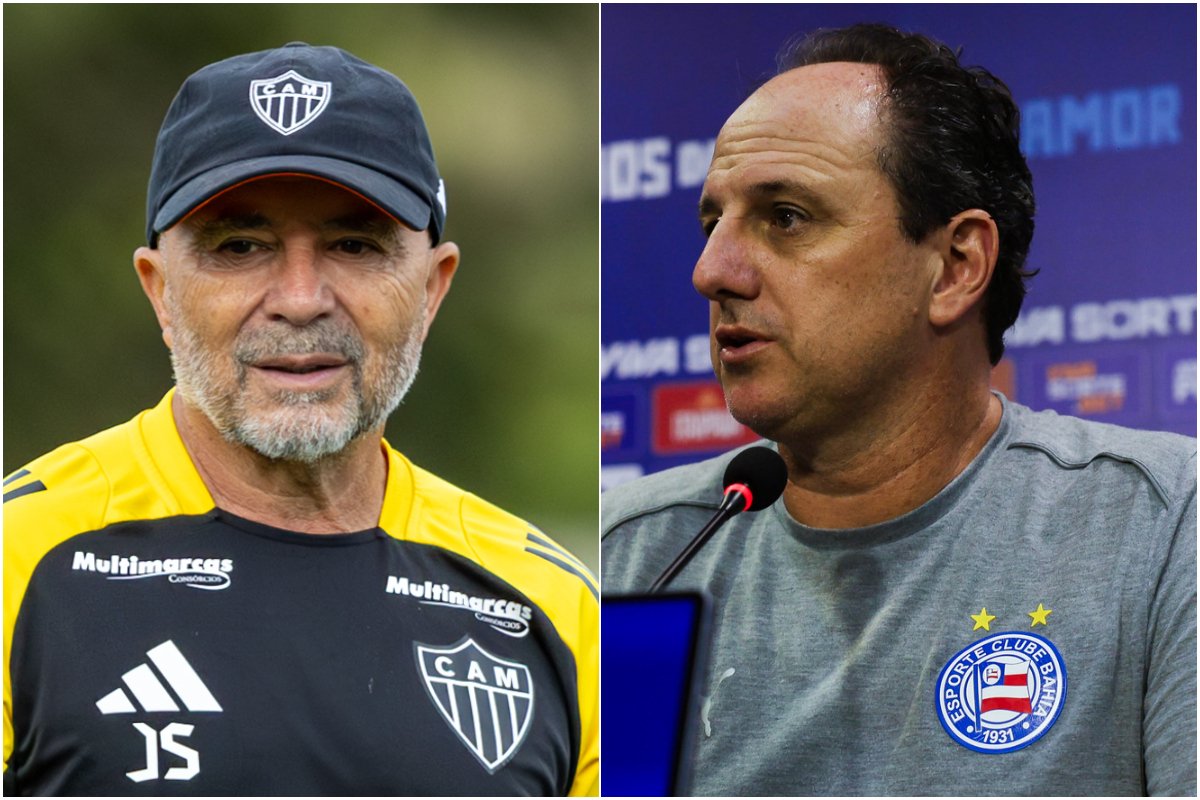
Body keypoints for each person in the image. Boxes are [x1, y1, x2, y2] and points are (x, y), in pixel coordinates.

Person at [602, 23, 1194, 796]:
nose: (712, 271)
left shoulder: (1160, 527)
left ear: (955, 267)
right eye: (714, 224)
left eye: (786, 216)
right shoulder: (630, 560)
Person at [4, 43, 598, 796]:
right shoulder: (20, 557)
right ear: (160, 292)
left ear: (432, 289)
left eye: (354, 244)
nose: (300, 299)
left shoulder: (556, 608)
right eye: (240, 246)